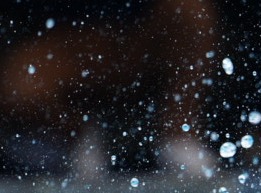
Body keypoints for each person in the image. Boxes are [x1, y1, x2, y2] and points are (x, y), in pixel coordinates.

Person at [0, 0, 218, 176]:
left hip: (133, 33)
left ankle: (177, 134)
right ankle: (78, 136)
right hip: (61, 38)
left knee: (189, 10)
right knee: (18, 83)